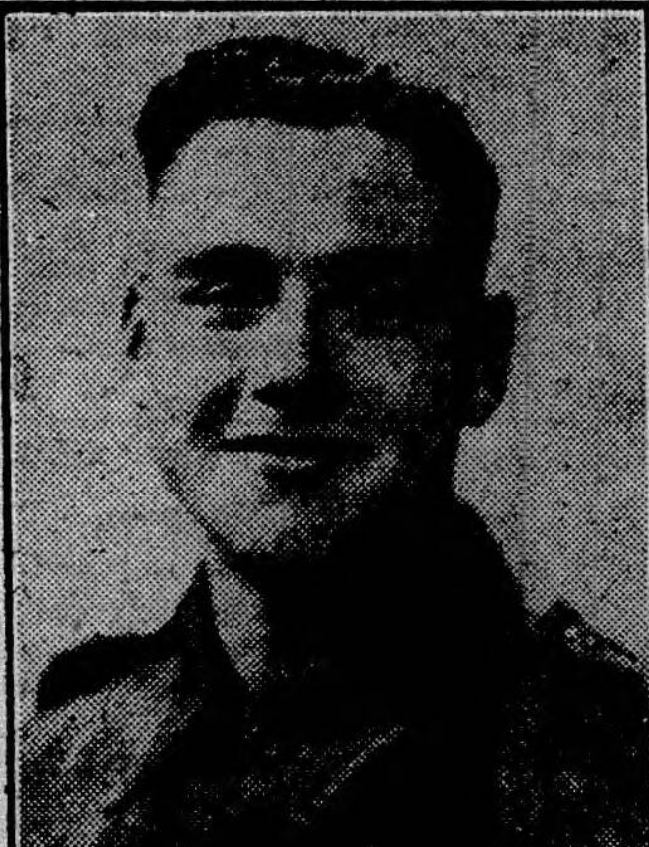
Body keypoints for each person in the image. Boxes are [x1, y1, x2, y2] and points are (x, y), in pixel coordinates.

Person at [21, 36, 648, 847]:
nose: (291, 367)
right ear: (140, 343)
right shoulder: (52, 779)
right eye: (227, 293)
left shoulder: (618, 777)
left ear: (480, 361)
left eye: (375, 302)